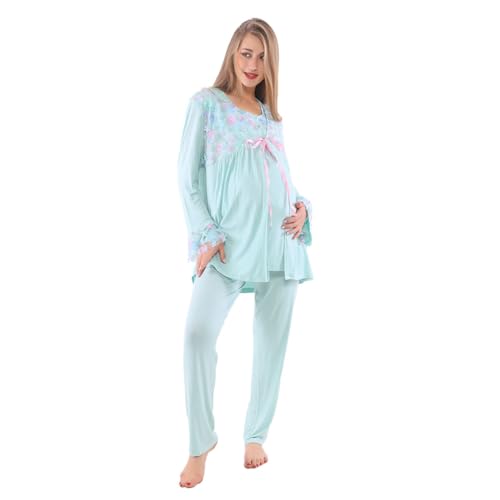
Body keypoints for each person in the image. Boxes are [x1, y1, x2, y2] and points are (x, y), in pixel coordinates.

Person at [176, 18, 314, 488]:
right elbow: (187, 179)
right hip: (227, 246)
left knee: (271, 343)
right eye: (246, 53)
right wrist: (206, 234)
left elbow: (282, 179)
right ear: (233, 54)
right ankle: (200, 443)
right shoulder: (207, 105)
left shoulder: (269, 117)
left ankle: (256, 434)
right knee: (197, 334)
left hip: (280, 243)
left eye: (261, 57)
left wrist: (302, 207)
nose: (253, 64)